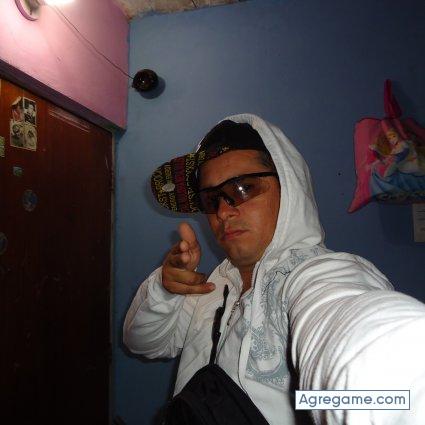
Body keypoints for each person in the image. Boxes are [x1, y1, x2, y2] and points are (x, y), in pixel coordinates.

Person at [123, 114, 425, 424]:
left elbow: (371, 361)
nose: (224, 212)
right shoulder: (213, 284)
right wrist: (165, 289)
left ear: (289, 188)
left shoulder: (315, 275)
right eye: (212, 199)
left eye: (243, 188)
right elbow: (144, 343)